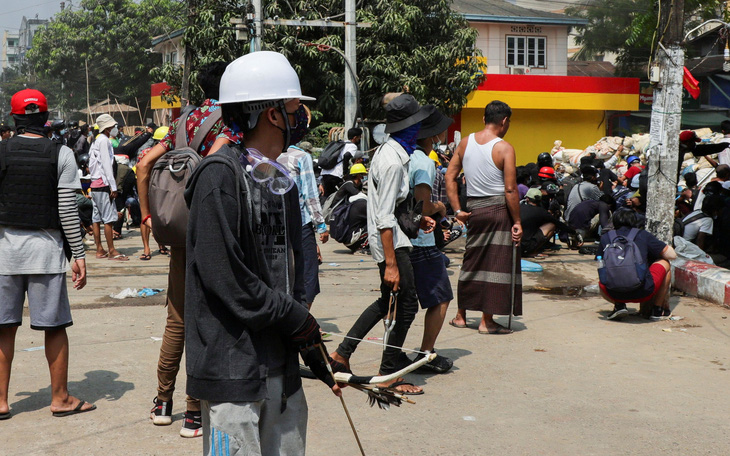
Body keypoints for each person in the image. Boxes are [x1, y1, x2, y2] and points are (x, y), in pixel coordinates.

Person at [185, 50, 342, 454]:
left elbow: (293, 264)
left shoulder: (279, 178)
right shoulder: (217, 177)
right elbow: (227, 278)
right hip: (233, 376)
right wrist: (293, 316)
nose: (301, 117)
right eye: (295, 108)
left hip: (281, 368)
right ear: (274, 115)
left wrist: (304, 328)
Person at [137, 61, 243, 438]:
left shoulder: (183, 121)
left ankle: (162, 402)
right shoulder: (232, 121)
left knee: (177, 318)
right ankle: (194, 411)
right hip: (214, 231)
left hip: (179, 232)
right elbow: (216, 164)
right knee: (209, 319)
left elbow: (146, 162)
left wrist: (148, 217)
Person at [0, 89, 95, 419]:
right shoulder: (62, 153)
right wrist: (79, 254)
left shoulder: (1, 151)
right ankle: (60, 399)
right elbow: (67, 209)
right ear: (45, 118)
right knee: (54, 328)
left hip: (3, 257)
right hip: (45, 255)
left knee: (2, 328)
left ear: (14, 118)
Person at [331, 94, 434, 395]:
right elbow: (385, 218)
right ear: (407, 129)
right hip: (390, 242)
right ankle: (388, 371)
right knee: (405, 306)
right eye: (416, 127)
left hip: (393, 237)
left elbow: (391, 207)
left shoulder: (393, 154)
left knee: (386, 302)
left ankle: (341, 354)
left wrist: (417, 219)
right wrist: (390, 263)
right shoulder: (392, 162)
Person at [445, 100, 522, 335]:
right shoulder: (504, 148)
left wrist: (458, 211)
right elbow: (510, 190)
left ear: (483, 119)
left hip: (474, 210)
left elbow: (450, 177)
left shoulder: (465, 142)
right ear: (505, 121)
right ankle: (486, 321)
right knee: (495, 264)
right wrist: (517, 221)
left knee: (472, 261)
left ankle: (460, 316)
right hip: (499, 210)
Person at [409, 105, 454, 373]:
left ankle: (395, 352)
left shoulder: (403, 156)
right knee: (440, 297)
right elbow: (422, 206)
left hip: (404, 238)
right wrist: (438, 208)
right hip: (422, 241)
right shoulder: (424, 162)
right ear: (431, 137)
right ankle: (426, 353)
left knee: (399, 301)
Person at [277, 139, 330, 309]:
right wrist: (321, 226)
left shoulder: (265, 154)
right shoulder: (301, 157)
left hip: (275, 224)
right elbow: (310, 194)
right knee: (308, 273)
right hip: (300, 223)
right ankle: (303, 320)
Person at [600, 210, 677, 321]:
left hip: (611, 292)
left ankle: (619, 305)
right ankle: (657, 310)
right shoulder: (642, 235)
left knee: (605, 271)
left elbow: (600, 262)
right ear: (634, 221)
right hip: (644, 292)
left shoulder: (606, 237)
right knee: (665, 262)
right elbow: (672, 255)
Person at [88, 113, 127, 261]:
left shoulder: (96, 140)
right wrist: (113, 186)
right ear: (108, 127)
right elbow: (106, 165)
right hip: (103, 183)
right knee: (108, 219)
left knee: (96, 218)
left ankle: (100, 249)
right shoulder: (104, 141)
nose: (115, 128)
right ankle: (111, 250)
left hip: (95, 183)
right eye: (113, 126)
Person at [520, 188, 576, 258]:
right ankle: (532, 252)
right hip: (528, 246)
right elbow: (559, 224)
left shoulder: (519, 208)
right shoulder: (542, 212)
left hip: (516, 245)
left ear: (527, 199)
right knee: (551, 225)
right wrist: (574, 232)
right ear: (540, 200)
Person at [319, 127, 362, 199]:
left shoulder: (340, 144)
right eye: (359, 137)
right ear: (355, 137)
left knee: (327, 197)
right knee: (338, 198)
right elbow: (347, 156)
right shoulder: (352, 146)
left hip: (325, 174)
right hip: (336, 175)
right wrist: (345, 172)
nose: (359, 139)